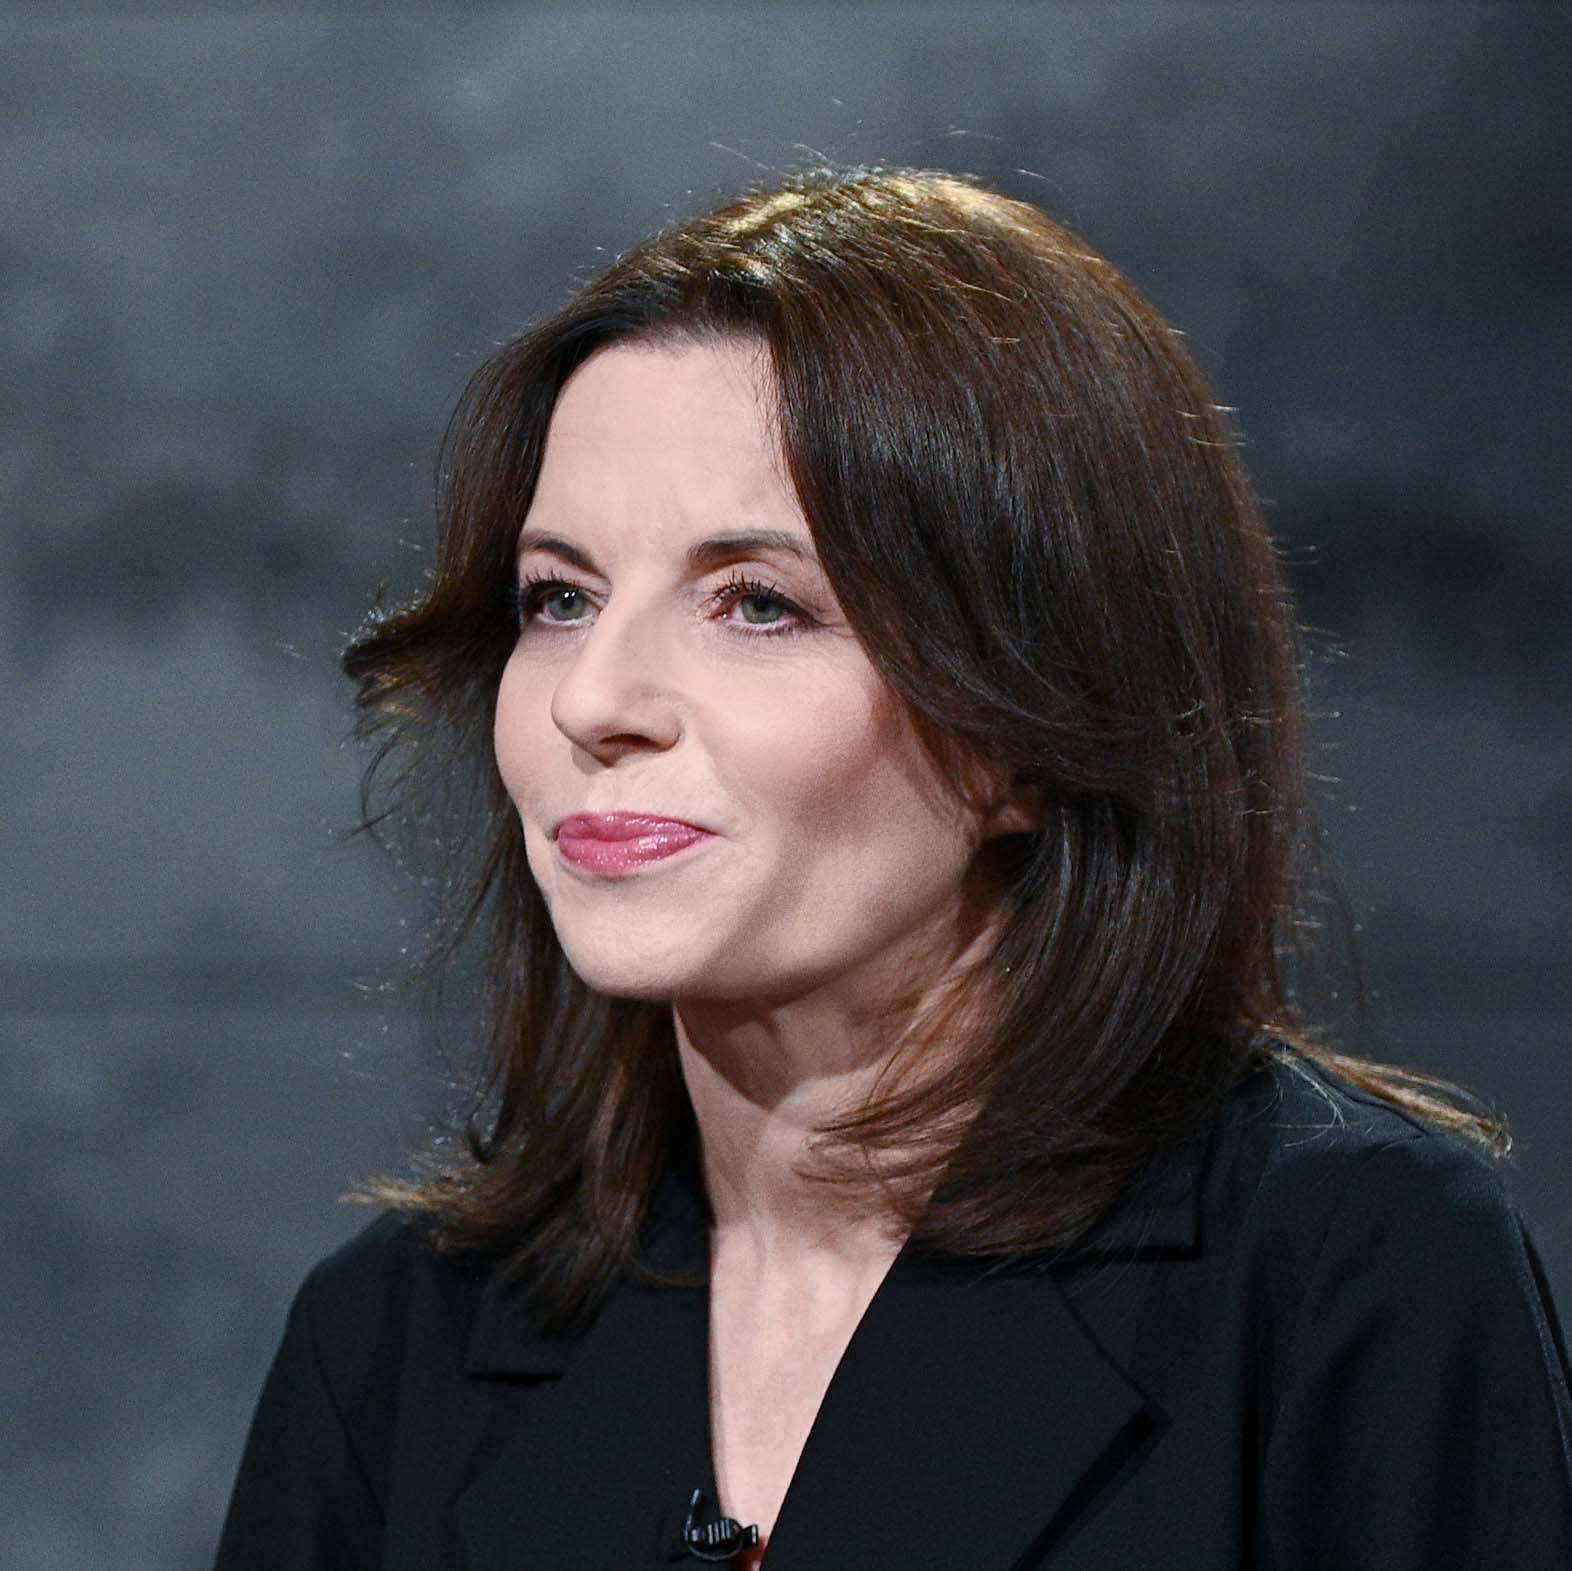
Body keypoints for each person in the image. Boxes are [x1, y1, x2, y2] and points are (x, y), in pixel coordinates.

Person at [213, 165, 1572, 1570]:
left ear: (1032, 723)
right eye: (559, 598)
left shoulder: (1354, 1277)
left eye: (757, 604)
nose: (593, 699)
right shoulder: (391, 1344)